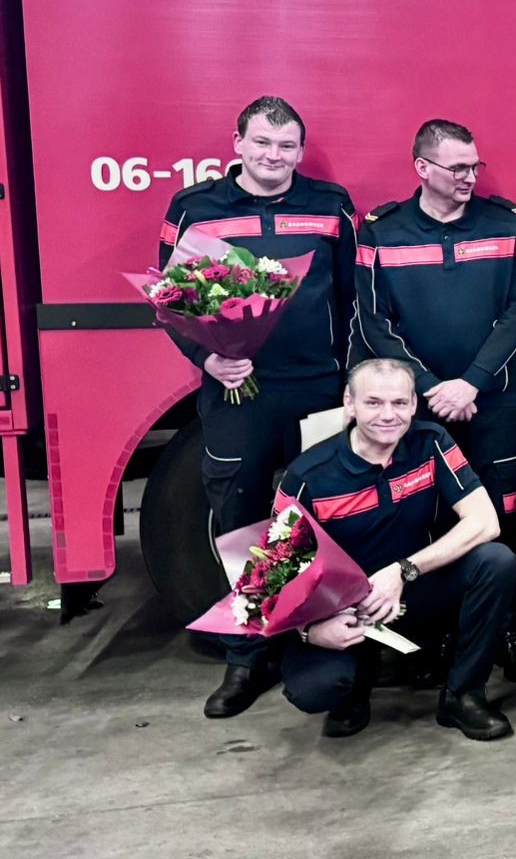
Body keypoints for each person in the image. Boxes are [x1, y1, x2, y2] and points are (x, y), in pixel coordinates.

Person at [162, 96, 359, 720]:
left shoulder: (331, 208)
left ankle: (327, 652)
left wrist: (353, 380)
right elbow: (172, 301)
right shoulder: (195, 209)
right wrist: (208, 360)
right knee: (242, 523)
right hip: (238, 395)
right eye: (262, 144)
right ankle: (246, 658)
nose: (274, 157)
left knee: (323, 519)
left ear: (300, 151)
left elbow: (358, 300)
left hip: (319, 390)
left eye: (286, 146)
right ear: (238, 144)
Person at [354, 119, 516, 681]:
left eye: (473, 167)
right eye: (457, 168)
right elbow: (373, 322)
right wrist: (429, 387)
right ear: (422, 168)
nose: (468, 178)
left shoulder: (507, 223)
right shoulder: (381, 231)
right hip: (419, 409)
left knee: (503, 512)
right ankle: (432, 634)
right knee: (425, 517)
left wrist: (473, 382)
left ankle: (504, 625)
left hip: (493, 403)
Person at [266, 359, 516, 741]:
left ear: (415, 404)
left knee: (496, 561)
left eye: (400, 403)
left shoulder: (431, 442)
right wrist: (311, 630)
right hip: (341, 610)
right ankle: (353, 688)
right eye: (373, 403)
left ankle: (463, 695)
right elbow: (270, 581)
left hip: (410, 588)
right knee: (315, 689)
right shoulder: (308, 476)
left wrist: (403, 571)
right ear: (349, 403)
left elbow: (486, 521)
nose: (388, 415)